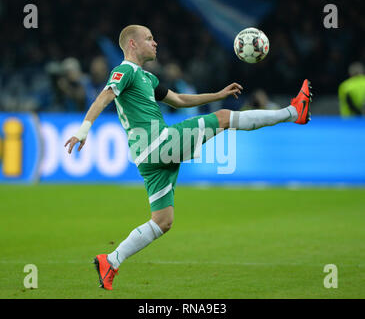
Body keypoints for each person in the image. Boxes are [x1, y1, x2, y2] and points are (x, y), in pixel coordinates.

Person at [64, 25, 312, 290]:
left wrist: (218, 95)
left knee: (162, 221)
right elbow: (105, 95)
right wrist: (83, 130)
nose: (155, 42)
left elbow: (179, 99)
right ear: (133, 44)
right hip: (157, 143)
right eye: (149, 38)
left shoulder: (147, 79)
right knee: (224, 118)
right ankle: (292, 112)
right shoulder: (125, 70)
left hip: (146, 157)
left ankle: (111, 261)